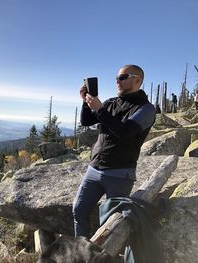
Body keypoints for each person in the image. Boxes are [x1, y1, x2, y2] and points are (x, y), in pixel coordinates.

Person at [72, 64, 156, 237]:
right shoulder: (111, 102)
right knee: (79, 211)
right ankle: (82, 253)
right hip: (94, 170)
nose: (117, 81)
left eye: (123, 77)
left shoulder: (146, 109)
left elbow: (124, 132)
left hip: (119, 174)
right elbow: (86, 121)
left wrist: (100, 109)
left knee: (111, 224)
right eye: (116, 77)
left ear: (137, 80)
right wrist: (86, 102)